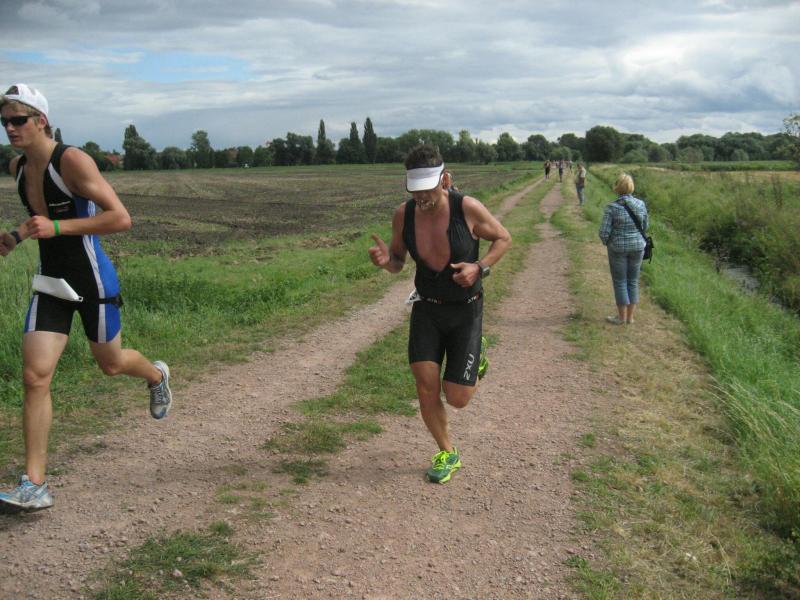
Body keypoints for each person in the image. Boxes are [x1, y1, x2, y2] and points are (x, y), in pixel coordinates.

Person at [0, 84, 173, 511]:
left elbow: (120, 218)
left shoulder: (72, 160)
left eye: (18, 120)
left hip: (92, 280)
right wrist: (17, 236)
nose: (10, 128)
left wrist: (58, 229)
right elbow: (42, 217)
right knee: (35, 376)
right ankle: (34, 484)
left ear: (41, 120)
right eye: (4, 122)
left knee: (111, 365)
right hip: (51, 283)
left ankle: (156, 376)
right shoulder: (17, 166)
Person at [369, 144, 511, 484]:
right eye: (415, 191)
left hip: (465, 310)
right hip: (427, 310)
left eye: (428, 190)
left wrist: (479, 267)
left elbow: (504, 238)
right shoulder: (403, 215)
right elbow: (398, 261)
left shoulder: (467, 208)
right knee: (425, 387)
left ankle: (478, 356)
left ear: (444, 180)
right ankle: (448, 452)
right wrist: (386, 262)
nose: (421, 198)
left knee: (458, 398)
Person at [598, 173, 648, 325]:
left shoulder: (612, 207)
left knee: (620, 282)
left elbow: (603, 232)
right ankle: (630, 318)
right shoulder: (641, 204)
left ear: (617, 187)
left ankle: (621, 318)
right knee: (633, 281)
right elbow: (645, 226)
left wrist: (609, 243)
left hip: (618, 249)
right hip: (638, 247)